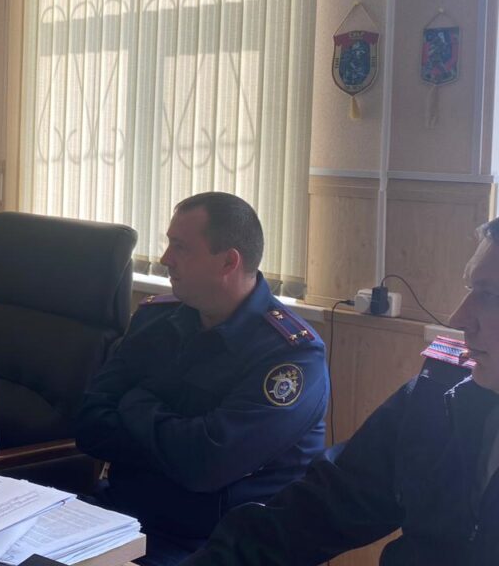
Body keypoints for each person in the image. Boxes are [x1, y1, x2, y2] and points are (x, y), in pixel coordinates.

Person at [181, 218, 499, 566]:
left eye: (489, 296)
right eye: (471, 289)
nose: (458, 318)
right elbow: (321, 508)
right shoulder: (438, 392)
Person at [76, 192, 329, 564]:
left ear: (228, 261)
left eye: (180, 247)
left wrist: (134, 403)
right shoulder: (154, 320)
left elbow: (206, 465)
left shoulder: (291, 356)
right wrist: (179, 442)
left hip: (216, 545)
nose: (165, 259)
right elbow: (89, 424)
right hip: (119, 518)